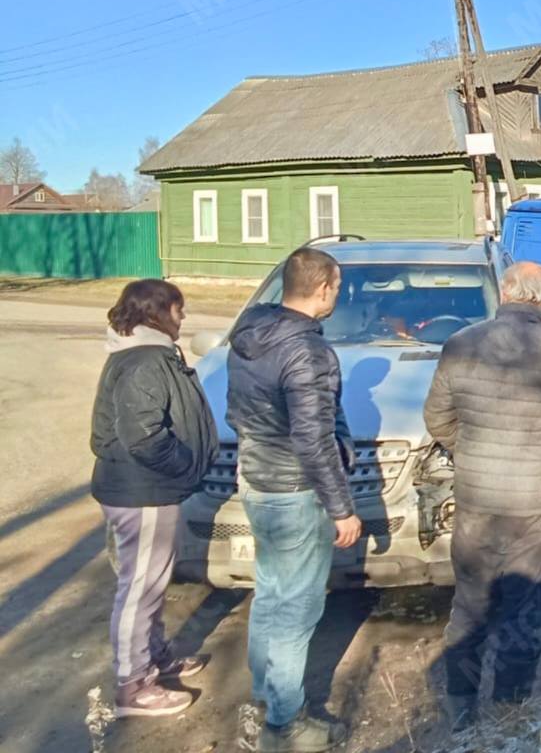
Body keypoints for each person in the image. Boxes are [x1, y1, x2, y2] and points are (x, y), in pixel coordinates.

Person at [424, 261, 541, 730]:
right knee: (522, 608)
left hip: (477, 499)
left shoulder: (460, 344)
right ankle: (510, 710)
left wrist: (469, 453)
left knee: (470, 604)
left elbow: (437, 419)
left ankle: (461, 708)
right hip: (533, 504)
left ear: (506, 292)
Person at [226, 247, 360, 752]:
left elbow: (237, 409)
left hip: (257, 482)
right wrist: (342, 507)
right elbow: (312, 439)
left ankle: (266, 692)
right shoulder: (307, 351)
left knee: (271, 590)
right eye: (337, 288)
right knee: (296, 610)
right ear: (323, 287)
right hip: (294, 491)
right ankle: (285, 724)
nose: (337, 297)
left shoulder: (250, 335)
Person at [90, 279, 217, 717]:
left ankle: (154, 655)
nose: (183, 319)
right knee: (139, 586)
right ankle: (132, 685)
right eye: (179, 310)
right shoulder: (145, 361)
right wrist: (183, 464)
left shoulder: (149, 355)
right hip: (142, 490)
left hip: (150, 488)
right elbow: (142, 436)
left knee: (151, 582)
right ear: (158, 312)